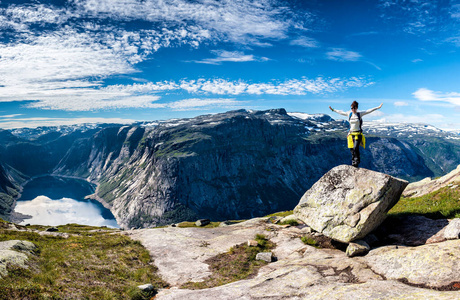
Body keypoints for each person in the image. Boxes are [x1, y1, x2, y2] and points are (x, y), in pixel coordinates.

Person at [329, 101, 383, 167]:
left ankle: (357, 161)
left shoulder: (359, 114)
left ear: (357, 108)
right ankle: (353, 161)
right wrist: (333, 110)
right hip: (351, 134)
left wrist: (378, 107)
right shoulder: (349, 114)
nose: (353, 109)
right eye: (352, 108)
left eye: (354, 108)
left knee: (355, 147)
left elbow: (369, 111)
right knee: (351, 149)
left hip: (358, 134)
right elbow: (340, 112)